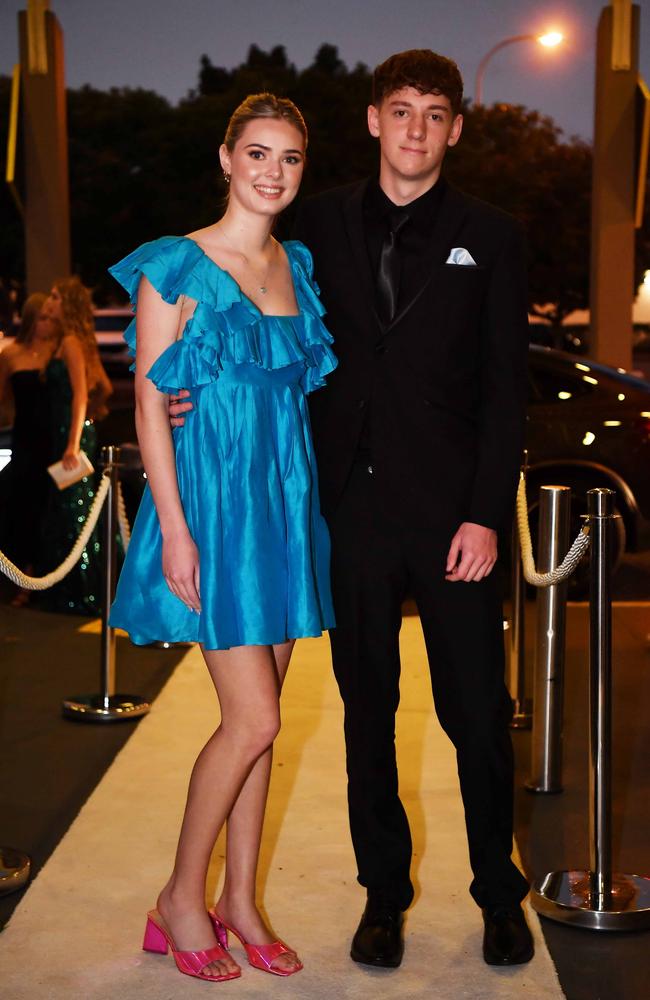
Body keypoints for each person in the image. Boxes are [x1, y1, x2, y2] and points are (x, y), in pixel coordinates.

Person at [171, 49, 533, 970]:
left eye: (435, 113)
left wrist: (487, 513)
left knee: (478, 719)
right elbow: (249, 321)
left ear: (454, 128)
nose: (415, 128)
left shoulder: (491, 233)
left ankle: (499, 894)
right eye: (400, 109)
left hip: (456, 521)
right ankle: (384, 898)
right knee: (367, 715)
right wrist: (191, 398)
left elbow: (506, 393)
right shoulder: (314, 227)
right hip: (343, 517)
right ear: (374, 119)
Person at [108, 94, 336, 982]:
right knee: (254, 717)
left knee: (262, 727)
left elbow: (289, 392)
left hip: (284, 503)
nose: (273, 172)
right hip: (215, 505)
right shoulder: (177, 263)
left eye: (289, 158)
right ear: (226, 158)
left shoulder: (294, 264)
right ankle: (178, 897)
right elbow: (147, 401)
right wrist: (173, 529)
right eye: (258, 153)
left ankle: (239, 900)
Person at [38, 276, 113, 614]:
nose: (48, 302)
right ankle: (73, 591)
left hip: (72, 436)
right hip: (66, 432)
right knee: (71, 511)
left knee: (75, 513)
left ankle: (80, 593)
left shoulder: (69, 341)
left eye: (54, 296)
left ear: (66, 303)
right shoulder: (63, 340)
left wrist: (72, 443)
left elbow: (81, 393)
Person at [0, 293, 59, 606]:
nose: (48, 323)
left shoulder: (57, 351)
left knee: (50, 507)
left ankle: (44, 578)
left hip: (55, 440)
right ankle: (23, 577)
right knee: (23, 506)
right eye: (43, 317)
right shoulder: (12, 355)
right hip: (25, 440)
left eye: (52, 318)